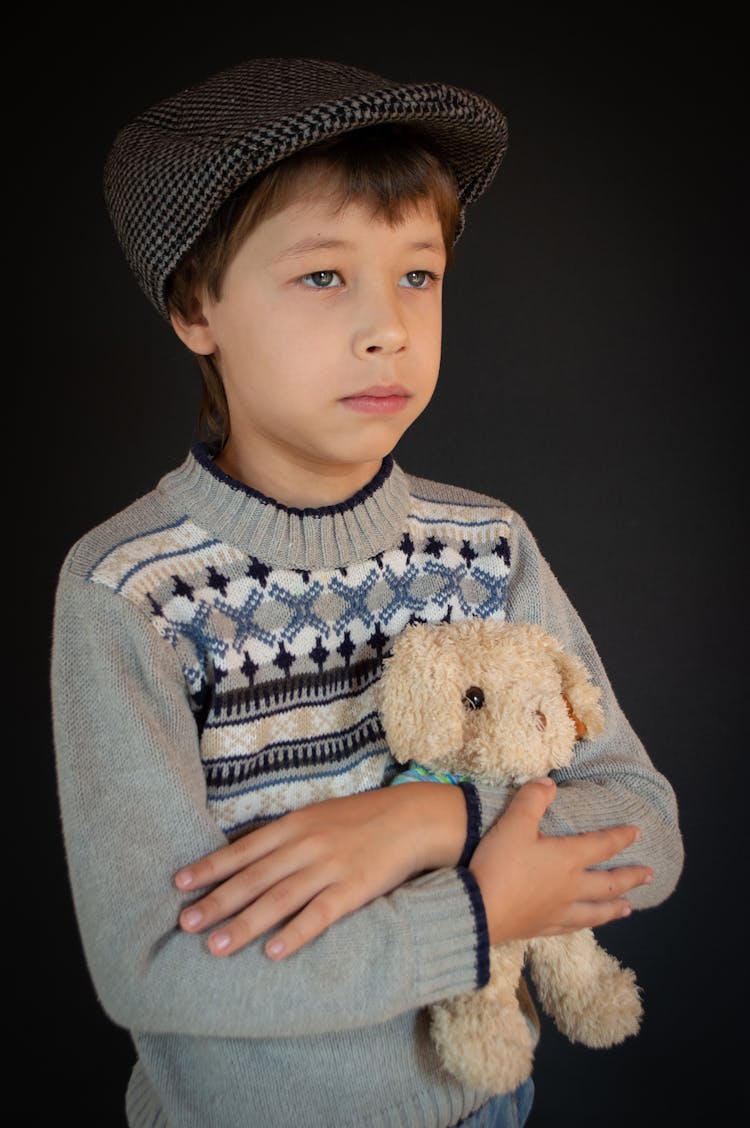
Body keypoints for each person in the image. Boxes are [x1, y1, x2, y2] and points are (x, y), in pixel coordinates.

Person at [51, 57, 684, 1128]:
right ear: (196, 304)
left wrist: (428, 819)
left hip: (484, 1107)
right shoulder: (130, 593)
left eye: (418, 276)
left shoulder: (486, 549)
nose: (387, 325)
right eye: (323, 277)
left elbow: (648, 833)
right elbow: (152, 968)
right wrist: (477, 917)